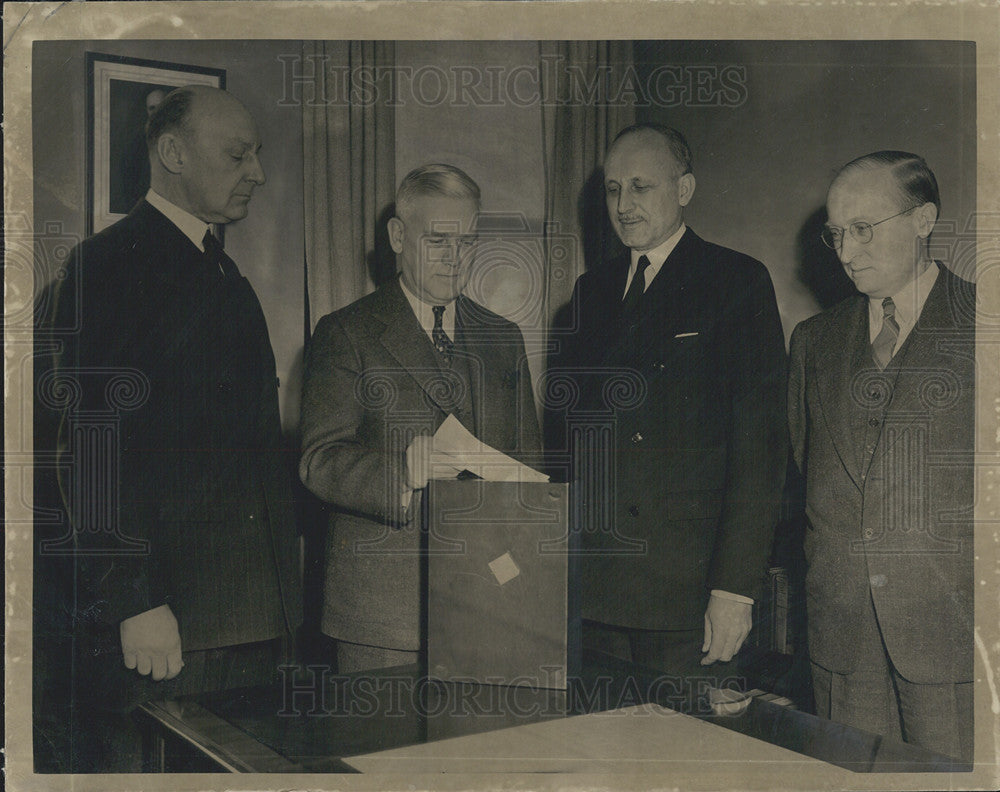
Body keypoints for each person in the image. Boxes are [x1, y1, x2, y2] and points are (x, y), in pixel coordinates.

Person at [34, 85, 302, 771]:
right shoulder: (106, 265)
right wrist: (135, 600)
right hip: (168, 625)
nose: (258, 173)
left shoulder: (224, 273)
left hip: (247, 620)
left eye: (257, 155)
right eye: (237, 155)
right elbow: (88, 452)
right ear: (173, 153)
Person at [551, 123, 787, 685]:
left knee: (683, 756)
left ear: (684, 190)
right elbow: (570, 447)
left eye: (641, 187)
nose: (623, 205)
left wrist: (733, 588)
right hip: (596, 586)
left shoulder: (736, 280)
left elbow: (761, 447)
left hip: (687, 594)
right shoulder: (591, 291)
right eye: (612, 189)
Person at [299, 163, 541, 673]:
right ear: (397, 236)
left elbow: (528, 469)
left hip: (489, 604)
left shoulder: (503, 337)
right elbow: (319, 460)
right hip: (383, 618)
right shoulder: (347, 332)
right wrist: (400, 475)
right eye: (438, 241)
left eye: (467, 243)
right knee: (378, 753)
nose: (455, 260)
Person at [788, 151, 974, 761]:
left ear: (924, 220)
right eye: (836, 233)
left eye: (863, 229)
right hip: (842, 637)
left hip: (953, 635)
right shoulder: (814, 342)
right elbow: (801, 468)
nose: (845, 251)